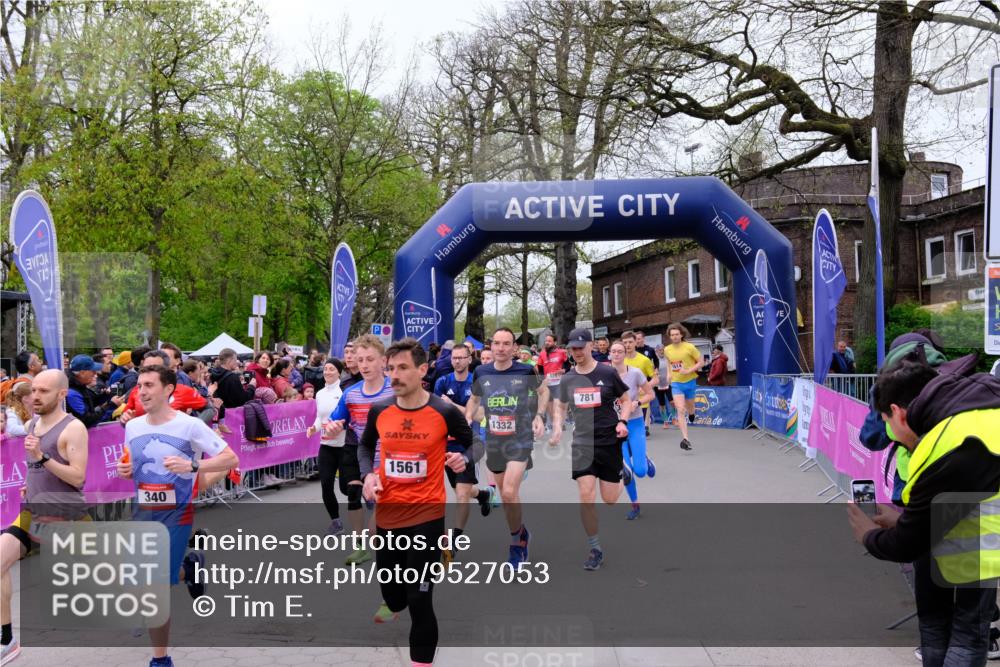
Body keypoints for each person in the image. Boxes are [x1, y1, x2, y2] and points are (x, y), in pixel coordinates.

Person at [847, 358, 1000, 666]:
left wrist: (868, 535)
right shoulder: (970, 406)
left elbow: (907, 544)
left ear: (898, 413)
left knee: (965, 637)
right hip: (973, 532)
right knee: (949, 627)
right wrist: (905, 519)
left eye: (887, 423)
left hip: (981, 542)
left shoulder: (943, 447)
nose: (890, 433)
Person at [359, 338, 473, 667]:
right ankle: (394, 604)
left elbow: (473, 442)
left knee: (419, 598)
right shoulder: (380, 410)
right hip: (388, 515)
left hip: (427, 514)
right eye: (391, 368)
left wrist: (461, 457)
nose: (394, 374)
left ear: (422, 370)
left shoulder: (443, 410)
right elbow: (365, 448)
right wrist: (368, 476)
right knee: (393, 597)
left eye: (403, 367)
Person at [118, 364, 238, 667]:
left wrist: (193, 467)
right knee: (155, 579)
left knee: (155, 585)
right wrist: (125, 470)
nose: (141, 391)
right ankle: (191, 568)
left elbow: (230, 458)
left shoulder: (189, 426)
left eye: (149, 385)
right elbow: (132, 465)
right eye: (139, 385)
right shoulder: (133, 426)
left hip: (177, 513)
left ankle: (160, 659)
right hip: (143, 510)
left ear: (168, 389)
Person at [1, 370, 89, 663]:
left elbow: (77, 477)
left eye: (44, 391)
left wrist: (42, 458)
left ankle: (186, 567)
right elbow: (36, 467)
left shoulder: (73, 428)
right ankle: (7, 639)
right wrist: (33, 478)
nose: (35, 396)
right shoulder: (31, 423)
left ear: (62, 394)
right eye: (34, 390)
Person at [465, 327, 548, 569]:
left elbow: (544, 392)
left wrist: (540, 416)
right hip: (494, 438)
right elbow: (475, 398)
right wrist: (469, 415)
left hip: (520, 438)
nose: (501, 348)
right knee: (504, 494)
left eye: (506, 344)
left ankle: (516, 544)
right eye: (497, 344)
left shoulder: (525, 370)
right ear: (490, 347)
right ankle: (521, 532)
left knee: (510, 493)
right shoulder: (481, 371)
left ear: (514, 347)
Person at [551, 329, 632, 570]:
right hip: (582, 443)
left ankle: (622, 474)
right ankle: (595, 549)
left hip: (609, 440)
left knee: (609, 501)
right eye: (572, 348)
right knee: (586, 497)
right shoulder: (567, 378)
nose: (576, 352)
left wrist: (623, 421)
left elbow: (626, 401)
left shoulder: (607, 372)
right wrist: (557, 428)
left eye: (580, 347)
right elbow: (561, 406)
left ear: (590, 346)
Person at [324, 335, 393, 571]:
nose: (364, 364)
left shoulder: (396, 389)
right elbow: (334, 422)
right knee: (353, 493)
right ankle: (359, 544)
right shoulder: (351, 394)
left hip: (390, 462)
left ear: (383, 361)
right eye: (360, 359)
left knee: (377, 531)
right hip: (360, 454)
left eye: (370, 359)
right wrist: (332, 427)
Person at [433, 343, 494, 561]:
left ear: (470, 359)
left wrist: (452, 407)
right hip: (444, 445)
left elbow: (481, 416)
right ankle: (484, 494)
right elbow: (435, 411)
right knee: (463, 490)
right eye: (454, 358)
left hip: (470, 444)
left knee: (461, 494)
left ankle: (455, 542)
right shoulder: (442, 382)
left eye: (461, 357)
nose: (457, 361)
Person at [608, 340, 656, 520]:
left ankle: (644, 459)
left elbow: (650, 393)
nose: (617, 354)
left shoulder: (635, 373)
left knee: (640, 471)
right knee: (626, 472)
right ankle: (635, 506)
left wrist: (638, 402)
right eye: (614, 351)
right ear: (610, 354)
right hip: (614, 427)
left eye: (620, 351)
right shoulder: (604, 374)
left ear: (625, 353)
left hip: (635, 423)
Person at [306, 360, 351, 535]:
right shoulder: (320, 394)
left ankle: (365, 495)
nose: (327, 372)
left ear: (339, 372)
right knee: (326, 484)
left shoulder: (344, 392)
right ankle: (336, 522)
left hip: (344, 445)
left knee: (345, 488)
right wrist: (314, 428)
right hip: (326, 446)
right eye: (325, 369)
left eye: (331, 369)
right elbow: (319, 417)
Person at [663, 323, 704, 451]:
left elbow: (702, 362)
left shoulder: (689, 347)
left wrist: (688, 370)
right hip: (676, 383)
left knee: (690, 407)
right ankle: (686, 439)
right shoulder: (667, 349)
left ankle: (692, 413)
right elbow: (669, 362)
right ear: (670, 337)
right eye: (672, 335)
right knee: (680, 409)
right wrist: (669, 374)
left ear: (681, 335)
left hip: (690, 381)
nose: (674, 337)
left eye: (677, 334)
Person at [537, 333, 569, 446]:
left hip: (559, 384)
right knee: (550, 412)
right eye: (546, 341)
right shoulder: (542, 354)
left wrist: (563, 371)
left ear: (555, 342)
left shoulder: (561, 352)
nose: (547, 343)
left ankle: (555, 435)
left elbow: (568, 366)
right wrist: (542, 381)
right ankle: (556, 430)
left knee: (556, 409)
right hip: (548, 385)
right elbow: (540, 370)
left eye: (549, 341)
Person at [65, 354, 115, 427]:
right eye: (93, 370)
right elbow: (87, 420)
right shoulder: (71, 393)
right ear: (82, 373)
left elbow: (90, 402)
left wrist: (105, 396)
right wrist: (110, 406)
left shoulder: (79, 385)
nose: (96, 373)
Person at [622, 331, 655, 436]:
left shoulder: (644, 360)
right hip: (622, 402)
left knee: (636, 434)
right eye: (625, 342)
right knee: (623, 435)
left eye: (630, 342)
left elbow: (655, 378)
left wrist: (645, 386)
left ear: (636, 342)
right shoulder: (619, 360)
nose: (628, 345)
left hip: (640, 402)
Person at [653, 345, 675, 429]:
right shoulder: (654, 360)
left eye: (662, 350)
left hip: (668, 383)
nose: (661, 351)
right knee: (662, 404)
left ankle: (674, 418)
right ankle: (665, 421)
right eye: (659, 350)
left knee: (672, 401)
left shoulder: (668, 359)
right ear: (656, 351)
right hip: (657, 385)